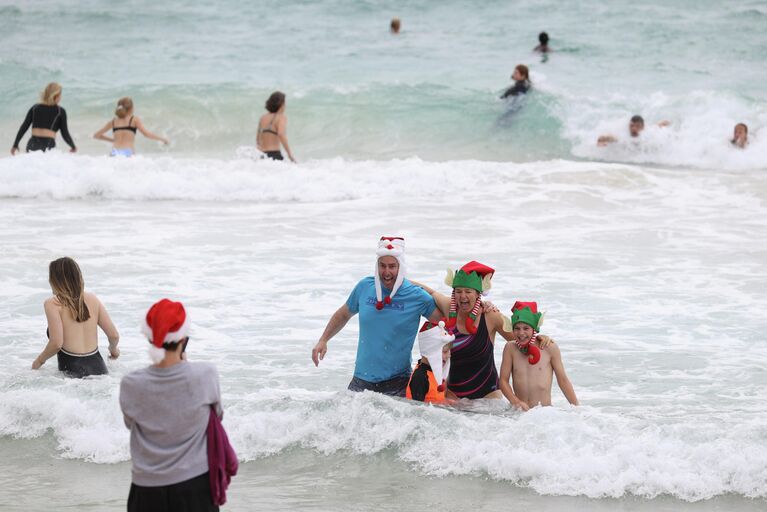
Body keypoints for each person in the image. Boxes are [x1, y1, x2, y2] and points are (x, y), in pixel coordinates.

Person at [120, 299, 224, 512]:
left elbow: (130, 424)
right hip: (194, 486)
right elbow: (217, 416)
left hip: (146, 488)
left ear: (149, 337)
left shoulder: (131, 383)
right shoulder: (206, 375)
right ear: (183, 339)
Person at [312, 237, 442, 397]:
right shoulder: (365, 287)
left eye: (392, 266)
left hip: (397, 383)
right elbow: (344, 314)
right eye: (382, 266)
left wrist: (478, 307)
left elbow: (446, 321)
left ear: (401, 267)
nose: (386, 272)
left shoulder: (416, 296)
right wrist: (323, 339)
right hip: (360, 382)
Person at [414, 262, 551, 400]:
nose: (462, 296)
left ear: (478, 294)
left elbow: (519, 340)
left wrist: (539, 338)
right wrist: (399, 280)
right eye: (458, 291)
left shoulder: (491, 316)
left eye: (468, 292)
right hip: (454, 397)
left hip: (488, 397)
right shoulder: (449, 307)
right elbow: (429, 291)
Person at [32, 257, 119, 377]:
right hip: (100, 369)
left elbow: (56, 343)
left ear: (55, 280)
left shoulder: (53, 304)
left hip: (72, 372)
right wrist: (113, 350)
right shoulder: (93, 299)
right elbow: (114, 335)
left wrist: (38, 362)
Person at [499, 301, 578, 410]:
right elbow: (503, 380)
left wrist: (577, 409)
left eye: (526, 328)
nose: (521, 333)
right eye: (517, 328)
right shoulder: (510, 348)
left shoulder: (548, 347)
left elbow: (563, 380)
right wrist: (515, 401)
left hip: (543, 413)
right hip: (519, 413)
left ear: (534, 329)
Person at [11, 82, 77, 154]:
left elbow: (24, 127)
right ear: (56, 95)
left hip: (32, 146)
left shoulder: (35, 108)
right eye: (60, 94)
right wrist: (73, 146)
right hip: (48, 147)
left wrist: (15, 144)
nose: (61, 97)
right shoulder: (60, 111)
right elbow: (65, 133)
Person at [93, 97, 169, 156]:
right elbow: (146, 134)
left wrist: (113, 140)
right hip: (128, 152)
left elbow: (96, 135)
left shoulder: (113, 122)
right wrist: (162, 139)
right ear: (131, 109)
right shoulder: (134, 119)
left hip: (114, 153)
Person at [406, 321, 454, 403]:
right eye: (445, 351)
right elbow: (416, 411)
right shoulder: (420, 378)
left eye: (449, 351)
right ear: (430, 351)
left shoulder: (436, 372)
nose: (449, 355)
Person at [257, 91, 296, 162]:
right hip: (274, 155)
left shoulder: (263, 118)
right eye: (284, 103)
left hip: (261, 156)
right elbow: (281, 134)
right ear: (281, 104)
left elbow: (258, 139)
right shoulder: (281, 117)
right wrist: (289, 154)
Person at [597, 115, 670, 146]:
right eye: (631, 126)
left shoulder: (648, 133)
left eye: (637, 126)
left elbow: (659, 125)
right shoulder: (624, 136)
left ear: (643, 127)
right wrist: (600, 141)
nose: (634, 128)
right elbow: (606, 137)